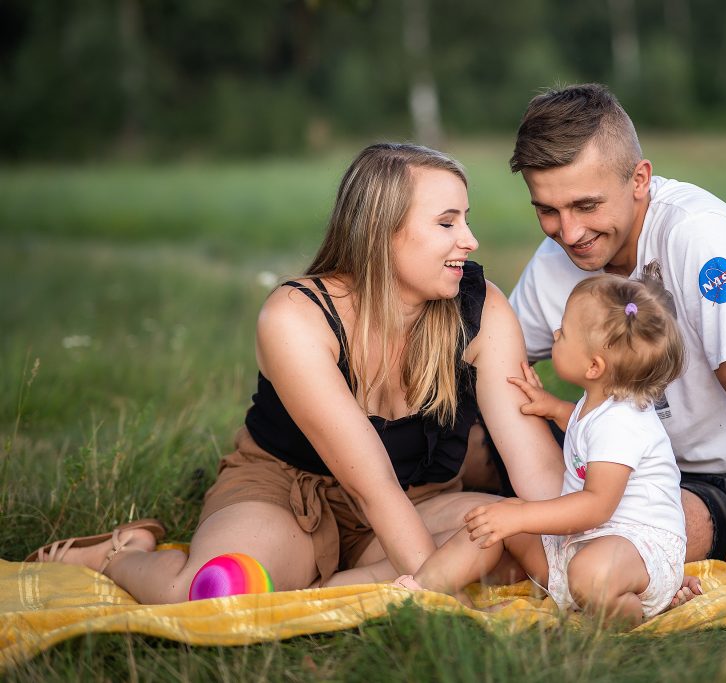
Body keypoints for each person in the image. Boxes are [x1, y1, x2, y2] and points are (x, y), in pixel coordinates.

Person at [27, 142, 565, 602]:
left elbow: (533, 465)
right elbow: (371, 486)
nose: (469, 240)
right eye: (447, 223)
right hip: (288, 495)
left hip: (419, 498)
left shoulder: (480, 307)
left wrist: (580, 562)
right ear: (382, 232)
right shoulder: (297, 318)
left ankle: (336, 588)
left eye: (465, 219)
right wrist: (441, 595)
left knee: (511, 541)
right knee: (219, 592)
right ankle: (121, 557)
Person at [501, 83, 726, 578]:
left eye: (586, 206)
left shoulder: (701, 237)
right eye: (547, 210)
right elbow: (489, 358)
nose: (569, 234)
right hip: (621, 462)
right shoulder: (559, 259)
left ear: (639, 179)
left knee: (608, 542)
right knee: (488, 432)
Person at [394, 264, 702, 628]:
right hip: (581, 544)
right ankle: (421, 589)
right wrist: (555, 409)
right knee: (493, 525)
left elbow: (597, 506)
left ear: (594, 366)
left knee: (572, 558)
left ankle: (632, 611)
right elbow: (590, 426)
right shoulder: (604, 403)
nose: (556, 332)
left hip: (636, 548)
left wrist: (523, 514)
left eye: (564, 333)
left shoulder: (624, 423)